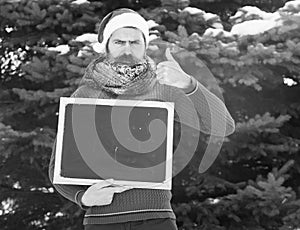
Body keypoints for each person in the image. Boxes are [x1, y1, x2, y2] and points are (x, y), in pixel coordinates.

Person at [48, 8, 235, 230]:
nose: (127, 48)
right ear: (107, 46)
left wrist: (188, 84)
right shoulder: (85, 95)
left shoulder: (165, 89)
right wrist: (82, 197)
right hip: (102, 220)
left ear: (144, 46)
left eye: (134, 42)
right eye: (119, 42)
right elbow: (58, 167)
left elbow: (224, 126)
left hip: (156, 218)